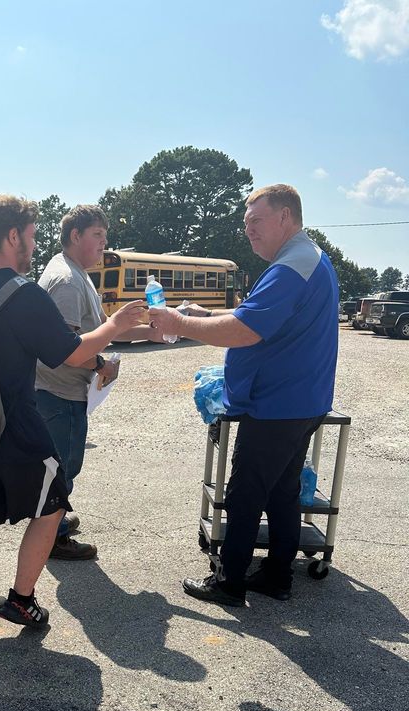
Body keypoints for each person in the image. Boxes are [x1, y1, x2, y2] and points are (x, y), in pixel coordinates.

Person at [0, 195, 144, 629]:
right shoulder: (26, 294)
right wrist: (116, 326)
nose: (35, 246)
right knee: (53, 504)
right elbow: (71, 355)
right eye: (32, 236)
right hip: (17, 423)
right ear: (13, 235)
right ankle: (21, 600)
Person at [147, 184, 338, 607]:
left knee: (245, 494)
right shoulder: (305, 259)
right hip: (299, 402)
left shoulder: (292, 267)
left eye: (256, 221)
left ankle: (229, 582)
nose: (248, 230)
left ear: (286, 217)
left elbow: (245, 331)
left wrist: (179, 321)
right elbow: (253, 316)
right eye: (245, 223)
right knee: (282, 491)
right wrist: (204, 314)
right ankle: (276, 575)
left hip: (276, 406)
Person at [36, 205, 166, 560]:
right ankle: (52, 537)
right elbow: (66, 349)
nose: (103, 246)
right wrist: (101, 366)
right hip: (57, 394)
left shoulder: (76, 273)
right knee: (61, 468)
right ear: (75, 235)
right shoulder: (67, 282)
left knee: (62, 466)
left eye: (105, 238)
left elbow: (100, 331)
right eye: (97, 236)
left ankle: (55, 523)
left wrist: (147, 334)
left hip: (64, 392)